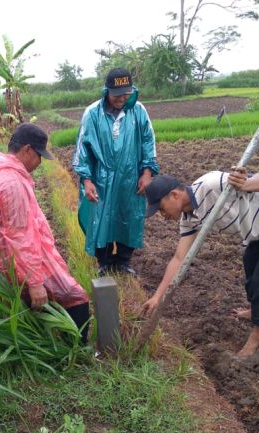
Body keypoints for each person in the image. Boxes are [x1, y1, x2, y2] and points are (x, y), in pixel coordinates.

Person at [141, 167, 259, 358]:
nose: (162, 215)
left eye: (161, 208)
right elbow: (179, 259)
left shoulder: (211, 184)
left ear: (174, 195)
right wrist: (157, 297)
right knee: (251, 263)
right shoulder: (189, 220)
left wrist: (245, 184)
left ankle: (257, 336)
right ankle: (256, 309)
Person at [0, 123, 90, 343]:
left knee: (29, 310)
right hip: (17, 264)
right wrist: (34, 282)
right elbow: (20, 237)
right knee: (75, 297)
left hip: (6, 262)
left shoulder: (0, 174)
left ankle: (47, 345)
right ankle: (76, 354)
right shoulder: (12, 183)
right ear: (27, 150)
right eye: (39, 156)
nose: (40, 162)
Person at [72, 67, 160, 276]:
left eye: (126, 93)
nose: (122, 98)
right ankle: (104, 262)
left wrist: (147, 173)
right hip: (101, 176)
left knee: (128, 216)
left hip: (131, 177)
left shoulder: (138, 111)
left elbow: (148, 141)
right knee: (101, 217)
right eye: (117, 94)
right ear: (106, 91)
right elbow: (83, 148)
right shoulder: (93, 113)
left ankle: (123, 261)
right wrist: (87, 180)